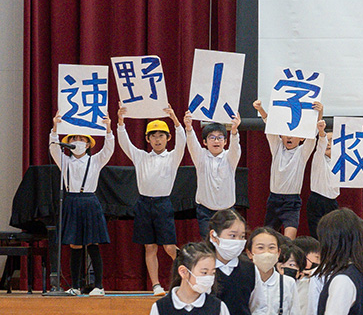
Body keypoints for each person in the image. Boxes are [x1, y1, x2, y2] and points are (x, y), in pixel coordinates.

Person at [117, 105, 185, 293]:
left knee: (170, 247)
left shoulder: (172, 157)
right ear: (147, 139)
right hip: (144, 204)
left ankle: (184, 279)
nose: (157, 139)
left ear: (168, 138)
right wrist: (121, 122)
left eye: (161, 135)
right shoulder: (140, 157)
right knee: (150, 247)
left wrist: (174, 118)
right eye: (153, 136)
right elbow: (125, 144)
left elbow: (182, 142)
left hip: (163, 204)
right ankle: (156, 284)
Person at [48, 116, 115, 294]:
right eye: (73, 139)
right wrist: (55, 128)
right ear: (68, 143)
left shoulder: (95, 161)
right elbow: (53, 148)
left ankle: (99, 286)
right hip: (71, 201)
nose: (77, 142)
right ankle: (75, 286)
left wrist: (108, 129)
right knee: (74, 245)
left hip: (89, 202)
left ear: (88, 144)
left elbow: (109, 149)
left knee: (92, 243)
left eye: (82, 139)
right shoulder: (65, 161)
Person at [252, 98, 319, 239]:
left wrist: (320, 113)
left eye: (293, 134)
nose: (289, 136)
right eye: (286, 133)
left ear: (301, 138)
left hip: (291, 202)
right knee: (268, 238)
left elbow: (313, 134)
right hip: (274, 200)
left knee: (289, 241)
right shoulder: (277, 148)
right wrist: (260, 110)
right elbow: (270, 127)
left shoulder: (302, 153)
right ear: (281, 135)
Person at [184, 109, 242, 228]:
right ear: (205, 142)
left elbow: (235, 148)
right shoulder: (201, 157)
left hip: (227, 211)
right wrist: (189, 128)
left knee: (226, 244)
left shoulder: (230, 158)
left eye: (220, 137)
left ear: (225, 141)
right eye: (212, 137)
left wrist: (234, 131)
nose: (216, 140)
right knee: (208, 245)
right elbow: (192, 144)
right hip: (205, 211)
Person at [306, 119, 342, 237]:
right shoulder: (319, 157)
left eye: (331, 141)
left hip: (332, 202)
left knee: (333, 238)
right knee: (318, 237)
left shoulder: (342, 160)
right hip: (317, 201)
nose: (328, 143)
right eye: (327, 140)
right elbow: (321, 145)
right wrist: (321, 133)